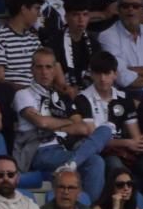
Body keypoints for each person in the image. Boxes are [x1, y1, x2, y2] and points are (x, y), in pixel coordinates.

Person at [13, 47, 114, 198]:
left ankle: (71, 165)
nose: (44, 72)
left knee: (106, 129)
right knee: (94, 161)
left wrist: (54, 124)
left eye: (48, 67)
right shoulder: (23, 94)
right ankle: (89, 206)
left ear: (55, 70)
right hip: (40, 151)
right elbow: (41, 122)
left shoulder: (60, 98)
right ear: (32, 69)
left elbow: (83, 128)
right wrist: (67, 122)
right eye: (39, 67)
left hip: (64, 148)